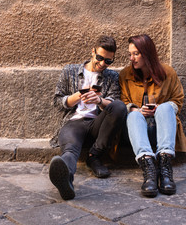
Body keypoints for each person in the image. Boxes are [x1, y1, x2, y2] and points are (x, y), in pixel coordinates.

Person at [49, 35, 127, 200]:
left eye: (108, 61)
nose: (102, 64)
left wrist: (99, 100)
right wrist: (76, 97)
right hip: (73, 123)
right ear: (92, 52)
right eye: (99, 58)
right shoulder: (69, 71)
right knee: (69, 151)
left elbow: (114, 103)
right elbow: (57, 101)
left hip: (97, 125)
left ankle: (94, 156)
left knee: (120, 106)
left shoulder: (112, 77)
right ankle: (66, 180)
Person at [119, 34, 186, 197]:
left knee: (165, 108)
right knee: (133, 115)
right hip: (138, 134)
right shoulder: (125, 75)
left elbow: (178, 101)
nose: (132, 58)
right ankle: (149, 168)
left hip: (164, 132)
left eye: (136, 53)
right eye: (130, 54)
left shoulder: (168, 72)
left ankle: (165, 168)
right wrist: (136, 109)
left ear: (148, 53)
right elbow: (122, 102)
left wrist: (159, 109)